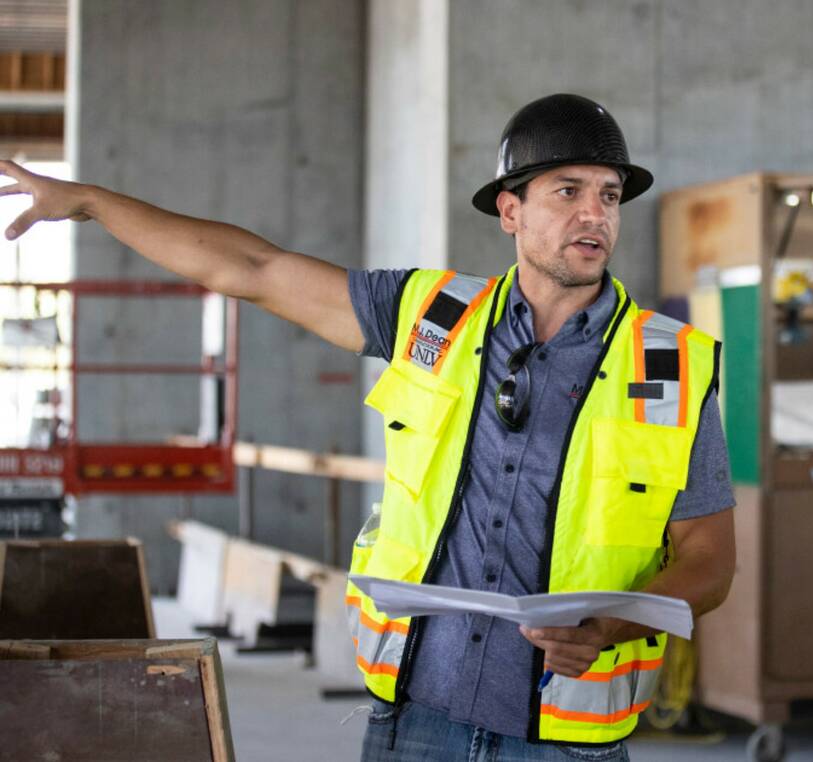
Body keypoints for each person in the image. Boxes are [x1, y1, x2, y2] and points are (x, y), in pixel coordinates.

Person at [0, 92, 736, 761]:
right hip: (415, 722)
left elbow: (710, 560)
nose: (594, 214)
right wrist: (91, 202)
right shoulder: (431, 316)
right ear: (510, 211)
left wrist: (615, 625)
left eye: (609, 196)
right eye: (567, 191)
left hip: (566, 741)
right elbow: (251, 267)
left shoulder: (672, 367)